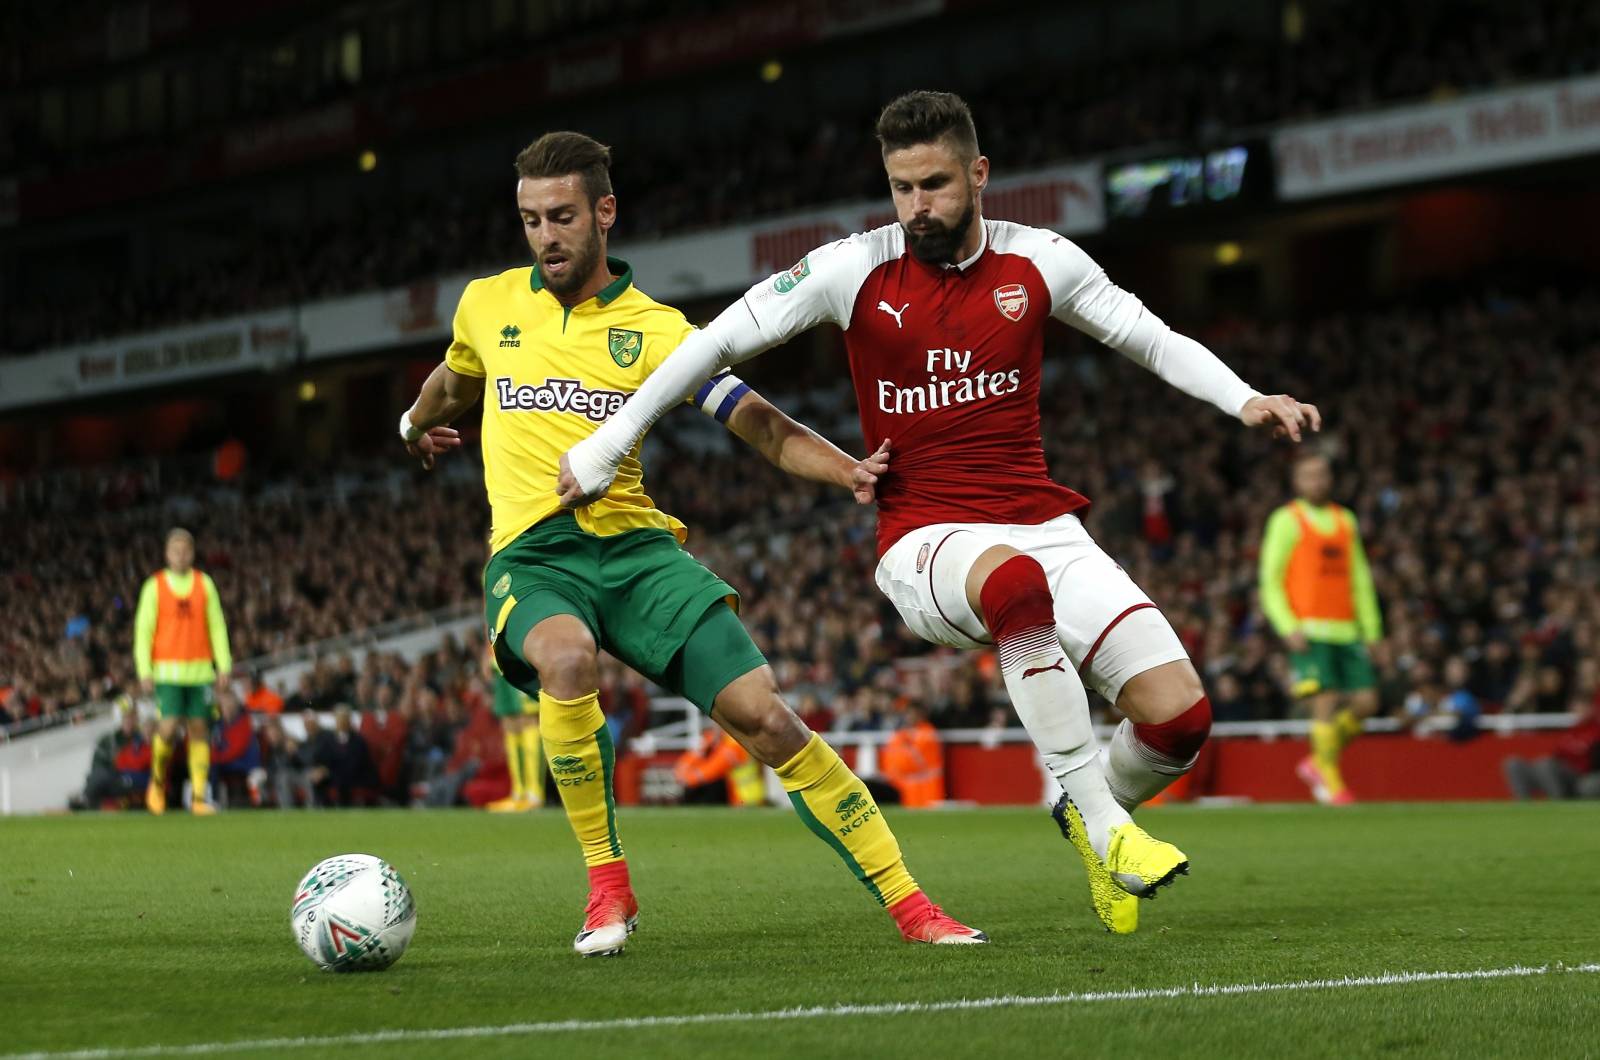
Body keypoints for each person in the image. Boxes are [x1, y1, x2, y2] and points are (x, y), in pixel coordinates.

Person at [559, 91, 1316, 935]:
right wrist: (606, 442)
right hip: (923, 538)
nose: (917, 206)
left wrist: (1243, 398)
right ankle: (1108, 827)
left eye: (935, 185)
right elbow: (714, 341)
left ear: (979, 175)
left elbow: (1148, 336)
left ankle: (1083, 809)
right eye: (901, 187)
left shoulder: (1041, 262)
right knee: (1015, 584)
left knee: (1181, 718)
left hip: (1042, 522)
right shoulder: (854, 269)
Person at [398, 130, 983, 954]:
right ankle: (608, 891)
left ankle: (914, 908)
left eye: (561, 216)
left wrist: (847, 469)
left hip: (638, 556)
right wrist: (414, 424)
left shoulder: (661, 332)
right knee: (567, 662)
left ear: (605, 212)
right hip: (534, 556)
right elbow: (455, 378)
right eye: (530, 219)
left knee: (769, 720)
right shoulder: (488, 303)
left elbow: (761, 426)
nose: (545, 237)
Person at [1259, 454, 1383, 804]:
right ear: (1296, 481)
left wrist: (1372, 631)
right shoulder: (1287, 519)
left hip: (1347, 629)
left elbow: (1359, 578)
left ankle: (1317, 760)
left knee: (1367, 702)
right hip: (1309, 629)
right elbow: (1271, 578)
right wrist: (1286, 624)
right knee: (1325, 701)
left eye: (1322, 475)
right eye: (1308, 476)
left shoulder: (1346, 520)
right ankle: (1330, 780)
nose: (1317, 481)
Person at [133, 528, 232, 815]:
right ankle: (156, 784)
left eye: (186, 549)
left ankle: (199, 797)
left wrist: (223, 664)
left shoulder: (205, 584)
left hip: (200, 672)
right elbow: (143, 631)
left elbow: (217, 625)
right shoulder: (155, 585)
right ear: (167, 554)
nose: (181, 555)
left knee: (200, 730)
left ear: (192, 552)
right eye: (175, 550)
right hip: (167, 673)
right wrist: (144, 670)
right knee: (168, 726)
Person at [483, 649, 544, 813]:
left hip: (518, 654)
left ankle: (534, 793)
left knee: (527, 718)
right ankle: (518, 792)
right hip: (497, 657)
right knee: (510, 722)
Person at [1503, 697, 1600, 800]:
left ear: (1591, 709)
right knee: (1513, 763)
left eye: (1581, 707)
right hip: (1555, 770)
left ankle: (1557, 802)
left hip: (1579, 773)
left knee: (1545, 764)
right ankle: (1523, 806)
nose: (1577, 710)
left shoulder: (1596, 731)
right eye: (1575, 707)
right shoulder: (1570, 731)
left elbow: (1594, 761)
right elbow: (1557, 754)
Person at [674, 727, 766, 806]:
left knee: (706, 787)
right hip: (739, 799)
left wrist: (685, 776)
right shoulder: (718, 740)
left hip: (747, 800)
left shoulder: (735, 744)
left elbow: (709, 772)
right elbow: (686, 760)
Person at [880, 704, 945, 808]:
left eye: (912, 713)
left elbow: (919, 762)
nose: (909, 717)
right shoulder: (901, 734)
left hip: (926, 787)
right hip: (903, 786)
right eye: (907, 713)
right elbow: (891, 758)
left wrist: (908, 746)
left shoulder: (928, 734)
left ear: (920, 715)